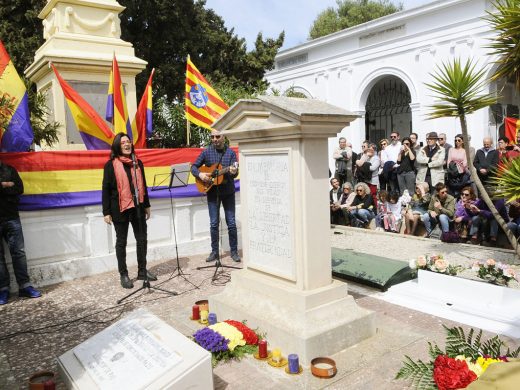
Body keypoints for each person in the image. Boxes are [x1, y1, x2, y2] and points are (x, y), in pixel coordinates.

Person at [102, 133, 155, 289]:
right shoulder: (110, 165)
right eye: (123, 142)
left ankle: (142, 271)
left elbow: (143, 185)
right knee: (121, 242)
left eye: (128, 142)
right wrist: (106, 212)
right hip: (120, 208)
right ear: (118, 145)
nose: (127, 144)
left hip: (137, 207)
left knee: (142, 239)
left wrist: (146, 205)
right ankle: (123, 274)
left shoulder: (138, 163)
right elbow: (105, 189)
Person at [191, 129, 240, 263]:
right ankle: (214, 252)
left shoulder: (230, 153)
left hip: (228, 192)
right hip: (212, 193)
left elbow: (235, 172)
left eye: (217, 136)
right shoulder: (207, 152)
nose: (214, 139)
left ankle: (234, 252)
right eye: (212, 137)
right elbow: (194, 167)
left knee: (231, 223)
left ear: (223, 137)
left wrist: (234, 171)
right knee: (214, 223)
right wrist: (201, 175)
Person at [0, 159, 42, 304]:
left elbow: (19, 188)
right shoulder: (7, 176)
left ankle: (25, 286)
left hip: (12, 217)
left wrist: (9, 186)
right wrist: (4, 184)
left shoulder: (10, 169)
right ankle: (3, 289)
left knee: (19, 253)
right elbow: (12, 188)